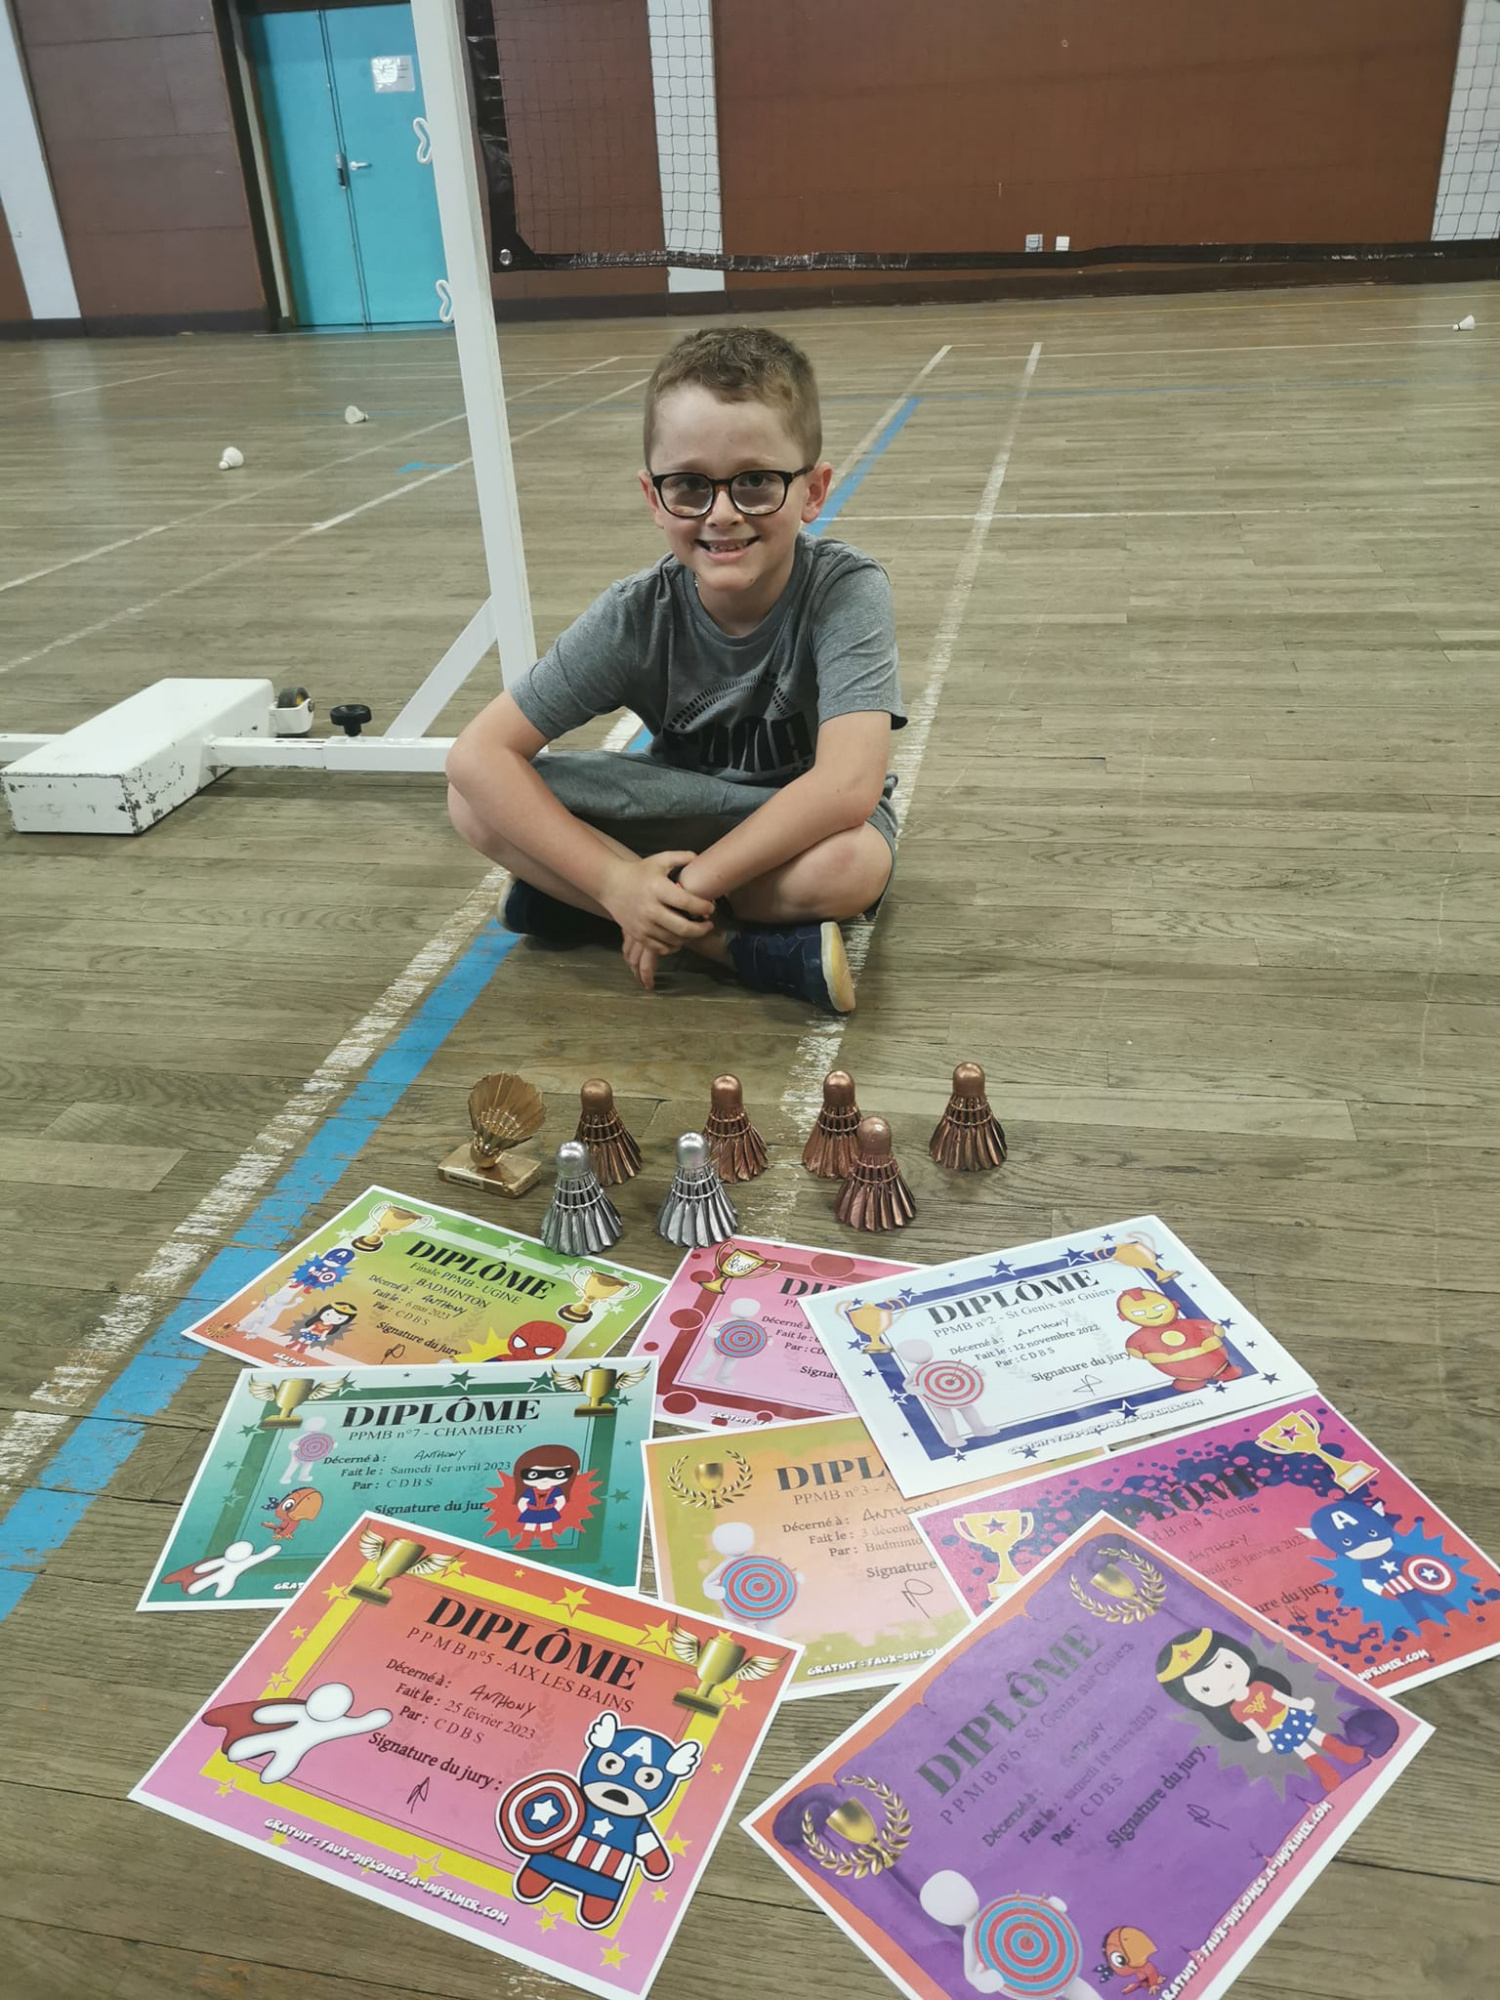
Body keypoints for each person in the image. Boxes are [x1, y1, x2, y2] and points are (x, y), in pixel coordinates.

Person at [446, 326, 905, 1013]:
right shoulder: (637, 613)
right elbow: (477, 754)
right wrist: (616, 883)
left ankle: (577, 907)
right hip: (680, 806)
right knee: (472, 801)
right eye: (689, 485)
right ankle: (732, 949)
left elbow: (846, 787)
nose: (722, 513)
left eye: (756, 482)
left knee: (854, 866)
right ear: (653, 497)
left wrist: (679, 887)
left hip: (795, 824)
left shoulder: (846, 589)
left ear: (813, 491)